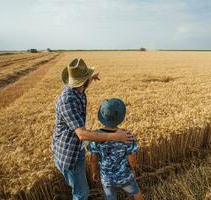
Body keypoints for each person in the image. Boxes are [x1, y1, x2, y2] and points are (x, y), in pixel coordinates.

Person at [52, 58, 133, 200]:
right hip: (69, 154)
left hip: (77, 148)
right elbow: (82, 134)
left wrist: (90, 78)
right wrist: (114, 136)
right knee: (81, 194)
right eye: (86, 78)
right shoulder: (67, 101)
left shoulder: (77, 89)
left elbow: (82, 84)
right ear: (81, 82)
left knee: (81, 188)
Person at [89, 98, 143, 200]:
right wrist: (133, 169)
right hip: (125, 176)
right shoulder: (127, 135)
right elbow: (132, 158)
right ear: (121, 118)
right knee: (136, 193)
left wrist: (94, 172)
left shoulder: (95, 137)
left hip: (106, 178)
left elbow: (93, 159)